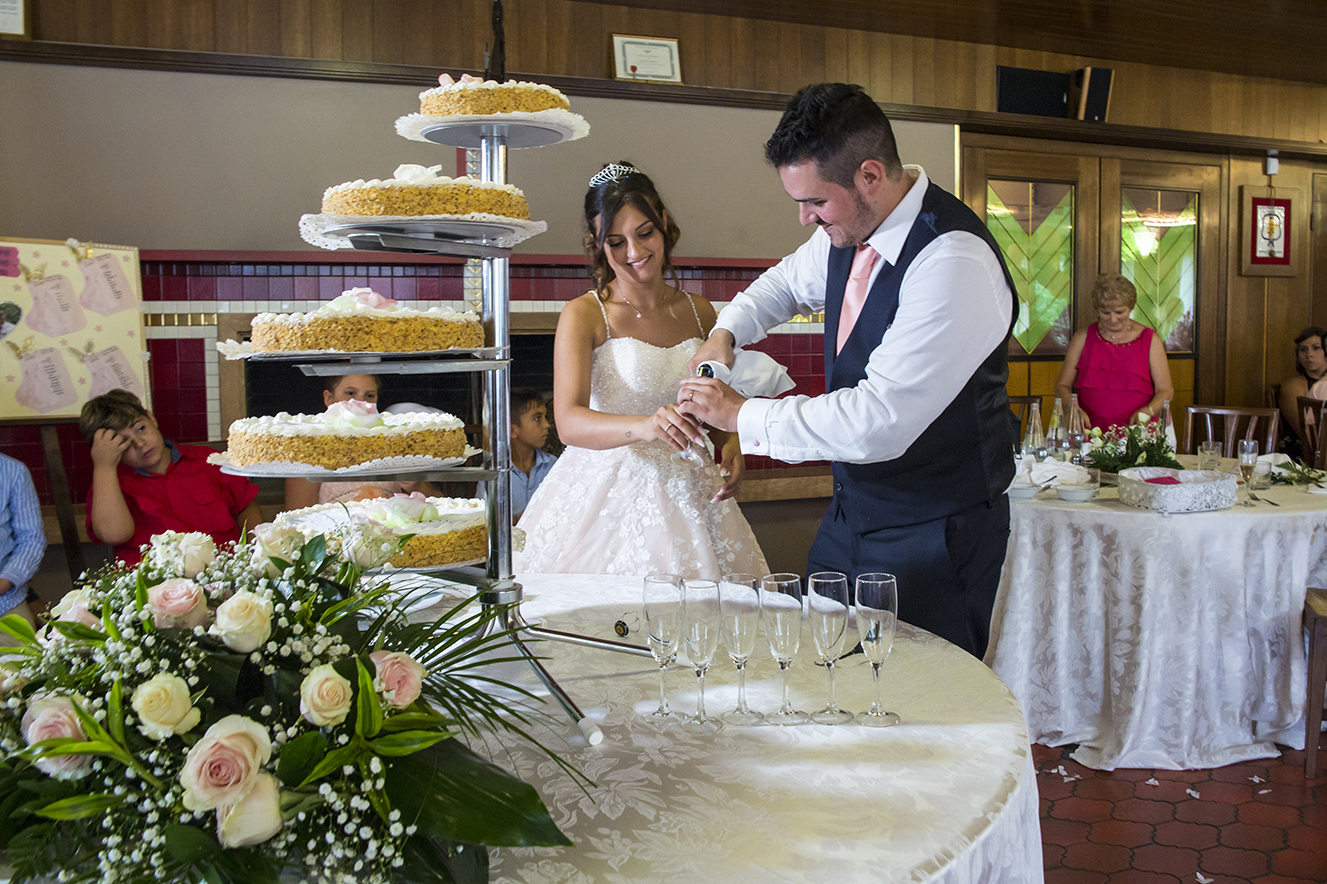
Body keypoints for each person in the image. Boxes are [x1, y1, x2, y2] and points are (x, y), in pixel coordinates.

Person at [679, 83, 1015, 658]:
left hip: (933, 533)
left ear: (869, 176)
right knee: (826, 683)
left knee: (923, 709)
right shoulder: (849, 229)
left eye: (815, 202)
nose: (806, 219)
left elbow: (879, 419)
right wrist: (725, 332)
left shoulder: (952, 259)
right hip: (848, 522)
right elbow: (783, 283)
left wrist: (741, 414)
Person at [514, 162, 769, 579]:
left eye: (644, 233)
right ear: (598, 244)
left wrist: (731, 443)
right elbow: (569, 422)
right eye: (615, 242)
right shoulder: (584, 314)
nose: (634, 253)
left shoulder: (699, 310)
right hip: (606, 493)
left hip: (693, 491)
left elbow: (713, 396)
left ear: (664, 224)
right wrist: (647, 425)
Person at [81, 389, 264, 566]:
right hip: (154, 586)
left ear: (151, 417)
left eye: (141, 429)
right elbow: (114, 535)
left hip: (224, 574)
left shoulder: (208, 461)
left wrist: (257, 554)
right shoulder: (110, 485)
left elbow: (245, 506)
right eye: (124, 444)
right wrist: (104, 466)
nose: (140, 444)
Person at [283, 374, 435, 510]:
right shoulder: (309, 449)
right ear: (328, 398)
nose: (361, 402)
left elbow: (441, 506)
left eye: (370, 395)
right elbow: (297, 518)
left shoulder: (393, 443)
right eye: (350, 393)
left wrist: (416, 485)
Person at [1054, 274, 1174, 430]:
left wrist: (1148, 411)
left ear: (1131, 308)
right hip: (1089, 432)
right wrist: (1074, 409)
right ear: (1097, 310)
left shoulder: (1150, 339)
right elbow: (1061, 386)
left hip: (1137, 432)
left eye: (1119, 312)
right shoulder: (1082, 338)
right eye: (1105, 312)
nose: (1112, 319)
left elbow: (1166, 390)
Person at [0, 453, 44, 638]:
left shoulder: (14, 471)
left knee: (22, 662)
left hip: (5, 601)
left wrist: (6, 580)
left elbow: (31, 539)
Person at [1276, 326, 1327, 457]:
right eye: (1303, 350)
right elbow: (1304, 432)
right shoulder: (1292, 386)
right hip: (1303, 452)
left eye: (1316, 348)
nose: (1309, 354)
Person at [509, 388, 557, 523]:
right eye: (537, 418)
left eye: (545, 417)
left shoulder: (553, 465)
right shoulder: (495, 472)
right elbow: (484, 516)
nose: (547, 425)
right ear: (512, 430)